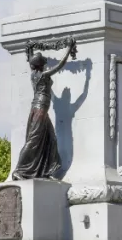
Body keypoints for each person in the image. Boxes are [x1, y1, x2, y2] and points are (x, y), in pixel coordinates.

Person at [12, 39, 76, 180]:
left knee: (50, 139)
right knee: (33, 140)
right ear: (40, 65)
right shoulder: (43, 75)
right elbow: (60, 65)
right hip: (40, 109)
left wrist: (30, 47)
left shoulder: (34, 73)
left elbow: (30, 58)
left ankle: (47, 171)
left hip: (40, 109)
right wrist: (68, 49)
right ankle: (18, 170)